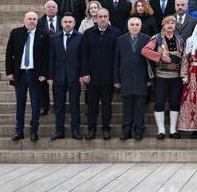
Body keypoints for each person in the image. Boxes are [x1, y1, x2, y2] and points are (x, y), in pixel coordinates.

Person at [5, 12, 49, 141]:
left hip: (35, 75)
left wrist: (43, 74)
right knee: (20, 103)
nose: (32, 21)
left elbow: (47, 57)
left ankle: (33, 131)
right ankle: (19, 131)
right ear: (24, 20)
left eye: (34, 19)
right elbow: (9, 54)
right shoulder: (16, 33)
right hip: (20, 74)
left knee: (36, 104)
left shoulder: (43, 34)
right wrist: (9, 72)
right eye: (29, 19)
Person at [141, 16, 185, 139]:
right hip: (161, 76)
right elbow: (144, 51)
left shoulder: (180, 39)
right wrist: (159, 56)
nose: (170, 25)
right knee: (159, 102)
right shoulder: (157, 38)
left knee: (175, 102)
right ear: (163, 25)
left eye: (172, 23)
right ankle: (161, 130)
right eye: (167, 23)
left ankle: (172, 130)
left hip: (176, 76)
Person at [80, 8, 119, 140]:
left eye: (105, 16)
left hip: (108, 77)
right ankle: (92, 129)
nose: (102, 19)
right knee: (92, 105)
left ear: (109, 18)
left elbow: (117, 57)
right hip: (92, 77)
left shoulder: (116, 33)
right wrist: (84, 72)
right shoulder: (88, 33)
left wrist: (116, 77)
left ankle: (106, 129)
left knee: (107, 105)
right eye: (99, 16)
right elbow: (83, 55)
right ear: (95, 18)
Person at [113, 17, 151, 140]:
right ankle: (126, 130)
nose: (134, 27)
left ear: (140, 26)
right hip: (125, 78)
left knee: (140, 107)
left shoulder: (147, 39)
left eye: (137, 24)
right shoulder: (120, 40)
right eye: (132, 24)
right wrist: (116, 79)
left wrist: (150, 79)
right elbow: (116, 61)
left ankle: (139, 130)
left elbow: (150, 62)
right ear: (128, 26)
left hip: (142, 78)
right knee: (127, 107)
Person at [48, 13, 83, 140]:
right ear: (61, 24)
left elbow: (83, 58)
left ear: (74, 24)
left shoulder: (80, 37)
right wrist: (50, 76)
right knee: (59, 105)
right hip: (58, 76)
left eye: (70, 22)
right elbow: (51, 58)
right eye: (65, 22)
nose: (68, 24)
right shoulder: (54, 38)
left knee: (75, 105)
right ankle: (59, 131)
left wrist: (82, 74)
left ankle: (75, 131)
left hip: (75, 76)